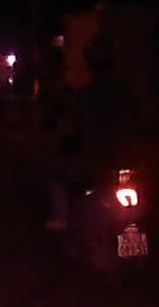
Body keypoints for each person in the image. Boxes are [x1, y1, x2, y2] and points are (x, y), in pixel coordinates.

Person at [47, 34, 136, 247]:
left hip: (94, 162)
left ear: (90, 64)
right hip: (129, 162)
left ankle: (62, 222)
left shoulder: (85, 96)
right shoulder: (125, 93)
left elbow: (71, 131)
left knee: (55, 172)